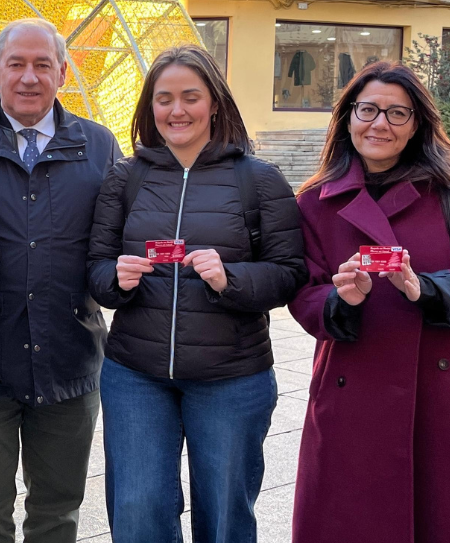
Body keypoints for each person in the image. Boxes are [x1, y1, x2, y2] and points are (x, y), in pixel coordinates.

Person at [288, 61, 450, 543]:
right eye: (368, 109)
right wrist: (340, 299)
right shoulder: (314, 202)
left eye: (398, 113)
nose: (380, 124)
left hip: (443, 388)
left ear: (417, 124)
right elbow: (301, 290)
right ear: (347, 117)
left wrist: (428, 289)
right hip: (351, 389)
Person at [86, 45, 306, 542]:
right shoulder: (127, 176)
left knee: (226, 515)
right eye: (164, 99)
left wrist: (232, 278)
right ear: (150, 107)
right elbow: (95, 267)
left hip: (231, 377)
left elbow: (291, 273)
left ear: (215, 103)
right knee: (139, 510)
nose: (177, 110)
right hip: (136, 374)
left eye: (191, 96)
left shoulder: (259, 179)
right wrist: (114, 279)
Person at [0, 18, 123, 543]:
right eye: (16, 64)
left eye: (42, 64)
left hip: (69, 360)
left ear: (62, 73)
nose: (28, 77)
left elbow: (112, 244)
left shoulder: (98, 146)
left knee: (58, 511)